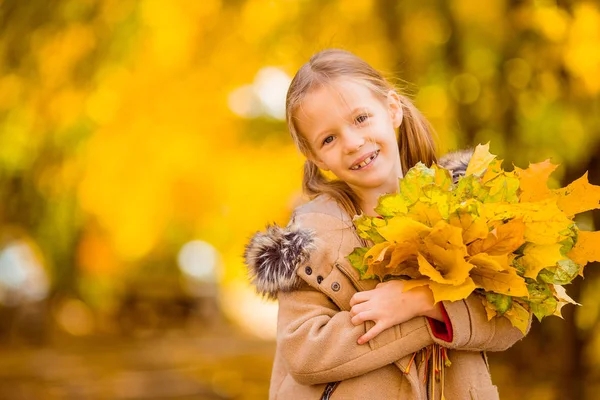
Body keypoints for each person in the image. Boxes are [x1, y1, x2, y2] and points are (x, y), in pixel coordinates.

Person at [244, 48, 530, 400]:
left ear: (392, 109)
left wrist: (423, 300)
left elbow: (512, 315)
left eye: (361, 118)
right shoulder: (311, 241)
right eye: (329, 139)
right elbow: (305, 352)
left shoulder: (464, 206)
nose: (352, 142)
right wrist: (430, 320)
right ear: (316, 157)